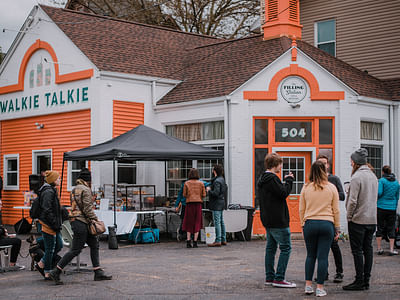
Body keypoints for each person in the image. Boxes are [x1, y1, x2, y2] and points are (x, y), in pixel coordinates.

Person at [49, 168, 112, 285]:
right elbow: (87, 209)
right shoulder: (86, 190)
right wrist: (95, 219)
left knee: (94, 244)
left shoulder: (74, 189)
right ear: (88, 180)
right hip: (82, 222)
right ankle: (56, 271)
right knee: (76, 249)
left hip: (75, 221)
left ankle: (98, 271)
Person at [300, 160, 340, 297]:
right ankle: (320, 288)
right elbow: (336, 210)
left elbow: (301, 209)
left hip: (310, 224)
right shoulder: (331, 187)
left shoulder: (306, 187)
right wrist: (337, 228)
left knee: (310, 255)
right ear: (324, 171)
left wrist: (302, 224)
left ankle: (308, 286)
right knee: (323, 257)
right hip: (326, 224)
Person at [257, 152, 296, 288]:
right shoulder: (272, 179)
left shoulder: (262, 179)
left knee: (271, 248)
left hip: (267, 219)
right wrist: (289, 181)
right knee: (286, 248)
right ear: (276, 164)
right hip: (278, 220)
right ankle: (279, 278)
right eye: (280, 164)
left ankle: (270, 277)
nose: (281, 166)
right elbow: (283, 193)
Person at [343, 148, 378, 291]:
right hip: (372, 219)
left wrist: (349, 216)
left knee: (357, 251)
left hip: (358, 220)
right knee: (368, 249)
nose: (350, 163)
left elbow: (352, 201)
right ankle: (366, 280)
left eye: (351, 160)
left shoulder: (357, 177)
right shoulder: (373, 176)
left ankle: (359, 280)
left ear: (356, 161)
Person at [317, 154, 345, 283]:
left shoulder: (334, 179)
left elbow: (342, 195)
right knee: (321, 248)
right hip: (319, 217)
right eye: (320, 163)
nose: (323, 165)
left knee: (334, 246)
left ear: (328, 165)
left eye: (324, 163)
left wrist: (330, 194)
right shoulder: (314, 180)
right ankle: (324, 273)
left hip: (332, 216)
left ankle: (339, 272)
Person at [35, 171, 63, 280]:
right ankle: (47, 272)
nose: (60, 180)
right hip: (48, 224)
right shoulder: (48, 192)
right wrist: (54, 222)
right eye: (58, 178)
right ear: (53, 180)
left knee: (59, 245)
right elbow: (47, 209)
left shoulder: (52, 190)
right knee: (50, 248)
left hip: (53, 224)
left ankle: (41, 262)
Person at [376, 165, 400, 255]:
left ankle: (379, 248)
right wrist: (394, 204)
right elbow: (397, 196)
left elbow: (379, 193)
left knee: (380, 227)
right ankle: (391, 249)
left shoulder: (382, 181)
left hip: (381, 207)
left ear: (383, 172)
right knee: (391, 228)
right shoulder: (396, 182)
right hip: (392, 208)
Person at [182, 168, 206, 248]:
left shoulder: (186, 183)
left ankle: (188, 241)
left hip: (189, 204)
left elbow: (184, 195)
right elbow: (204, 195)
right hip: (198, 204)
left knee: (189, 222)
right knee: (197, 222)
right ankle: (195, 242)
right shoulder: (201, 183)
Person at [207, 164, 227, 247]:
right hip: (222, 202)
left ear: (214, 171)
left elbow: (216, 193)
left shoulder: (217, 181)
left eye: (212, 169)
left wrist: (209, 190)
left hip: (216, 204)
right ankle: (223, 239)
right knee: (221, 222)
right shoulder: (222, 179)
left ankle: (218, 240)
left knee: (217, 222)